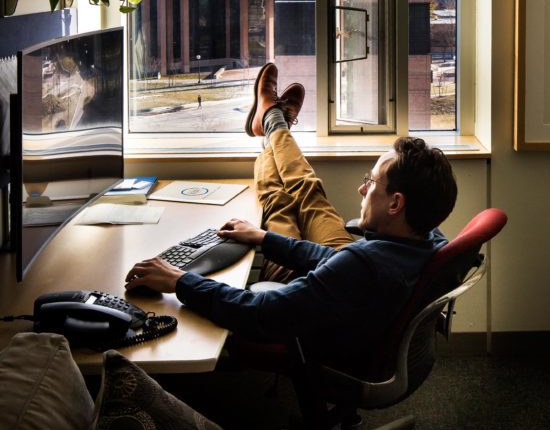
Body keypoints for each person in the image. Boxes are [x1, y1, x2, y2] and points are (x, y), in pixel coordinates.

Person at [125, 62, 457, 377]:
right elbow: (341, 260)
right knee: (306, 193)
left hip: (324, 338)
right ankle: (272, 122)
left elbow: (261, 312)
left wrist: (179, 280)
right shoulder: (430, 242)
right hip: (352, 311)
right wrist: (263, 239)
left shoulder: (364, 264)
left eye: (370, 183)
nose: (360, 189)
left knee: (281, 204)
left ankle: (271, 122)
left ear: (396, 204)